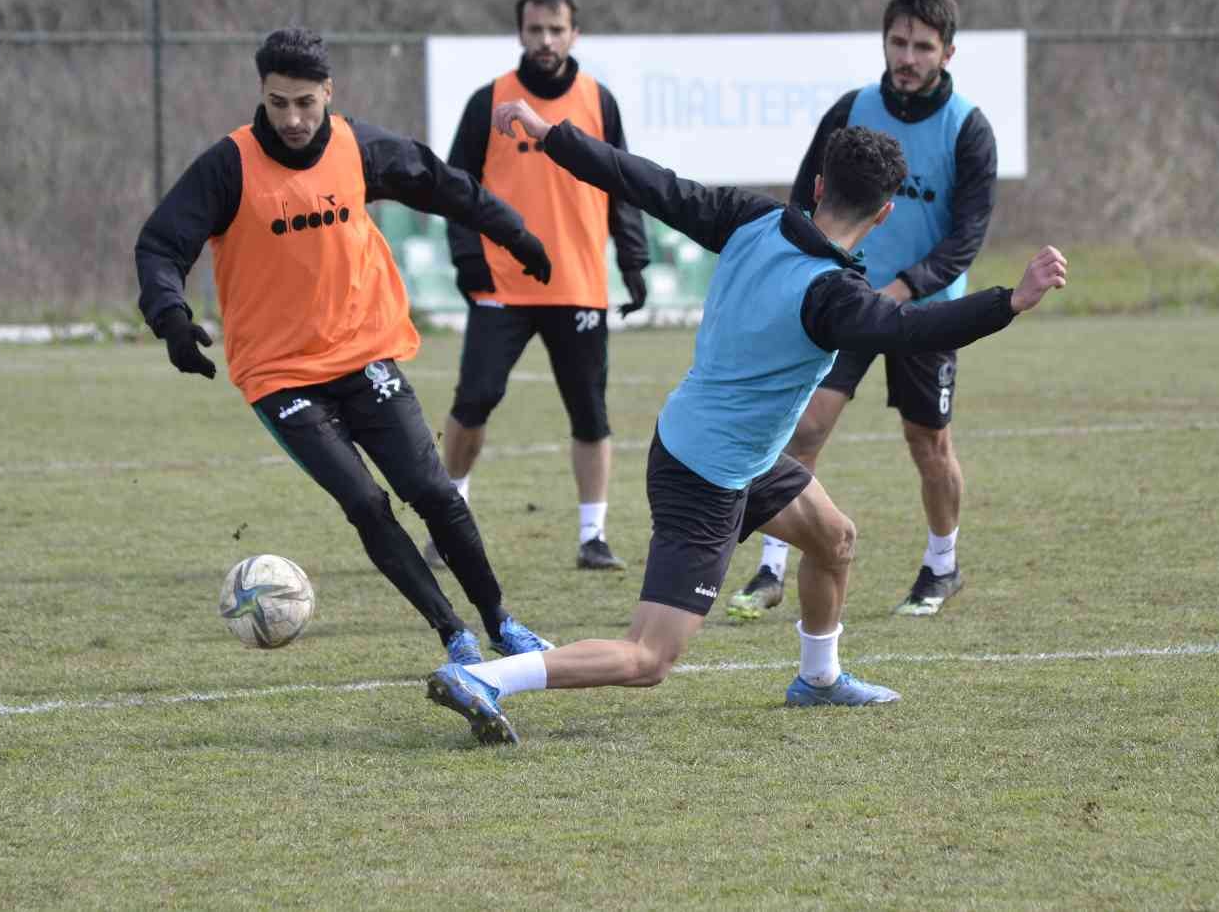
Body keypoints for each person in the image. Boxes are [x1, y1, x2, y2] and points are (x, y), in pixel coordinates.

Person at [423, 98, 1067, 745]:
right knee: (649, 656)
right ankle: (489, 677)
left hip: (729, 451)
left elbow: (645, 180)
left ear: (817, 185)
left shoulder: (754, 218)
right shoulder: (833, 295)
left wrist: (551, 135)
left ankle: (818, 677)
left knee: (834, 539)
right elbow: (913, 326)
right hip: (705, 474)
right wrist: (1009, 301)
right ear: (884, 213)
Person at [135, 26, 558, 668]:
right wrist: (169, 315)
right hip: (280, 377)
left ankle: (502, 622)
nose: (294, 118)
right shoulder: (230, 165)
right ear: (263, 95)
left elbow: (443, 185)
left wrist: (514, 232)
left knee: (435, 492)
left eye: (306, 102)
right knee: (365, 502)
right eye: (279, 103)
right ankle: (455, 636)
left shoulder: (359, 147)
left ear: (328, 92)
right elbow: (161, 244)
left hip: (363, 353)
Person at [729, 0, 999, 622]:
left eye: (923, 47)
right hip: (844, 301)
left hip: (923, 311)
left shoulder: (968, 129)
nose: (907, 57)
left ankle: (941, 565)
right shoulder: (852, 109)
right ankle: (770, 568)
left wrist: (903, 288)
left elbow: (967, 237)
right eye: (898, 42)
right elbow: (805, 200)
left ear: (948, 53)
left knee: (928, 443)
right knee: (803, 429)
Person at [429, 0, 652, 573]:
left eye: (556, 30)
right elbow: (455, 190)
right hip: (503, 284)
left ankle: (593, 535)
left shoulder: (597, 100)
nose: (546, 41)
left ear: (574, 34)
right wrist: (468, 258)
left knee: (590, 412)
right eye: (535, 30)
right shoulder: (489, 101)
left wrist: (633, 260)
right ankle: (449, 516)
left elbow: (622, 183)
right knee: (473, 401)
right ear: (520, 34)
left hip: (578, 284)